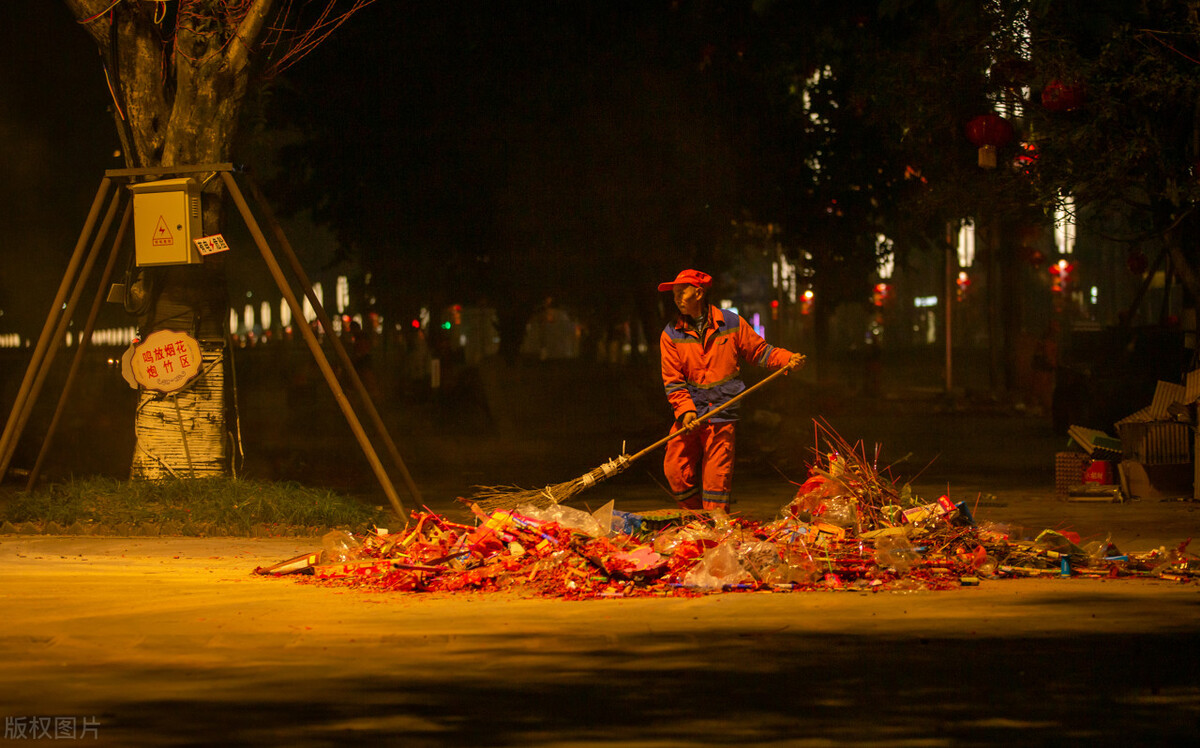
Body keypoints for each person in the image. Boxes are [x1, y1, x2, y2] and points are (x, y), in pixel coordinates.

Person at [657, 269, 805, 511]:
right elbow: (672, 380)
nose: (676, 298)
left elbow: (760, 352)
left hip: (722, 412)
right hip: (690, 414)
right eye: (674, 293)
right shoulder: (671, 334)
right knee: (675, 467)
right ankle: (696, 517)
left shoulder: (731, 323)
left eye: (681, 292)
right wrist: (685, 411)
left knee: (717, 477)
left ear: (698, 292)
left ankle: (715, 525)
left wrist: (788, 358)